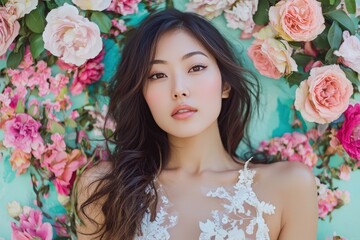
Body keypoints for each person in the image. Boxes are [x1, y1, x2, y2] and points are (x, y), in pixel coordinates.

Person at [75, 8, 318, 240]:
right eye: (157, 75)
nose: (179, 89)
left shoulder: (289, 186)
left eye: (196, 67)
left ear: (225, 85)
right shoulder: (104, 188)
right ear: (143, 94)